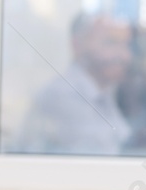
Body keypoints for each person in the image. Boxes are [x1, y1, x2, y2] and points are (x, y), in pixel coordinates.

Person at [13, 12, 133, 155]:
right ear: (77, 45)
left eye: (126, 44)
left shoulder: (103, 91)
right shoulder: (62, 96)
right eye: (111, 42)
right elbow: (103, 157)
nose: (124, 55)